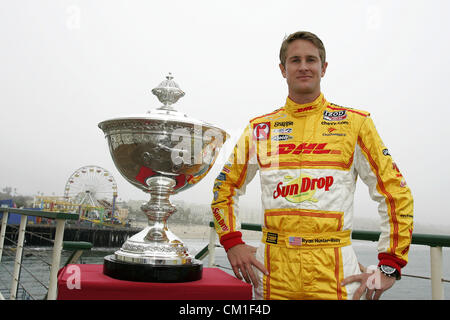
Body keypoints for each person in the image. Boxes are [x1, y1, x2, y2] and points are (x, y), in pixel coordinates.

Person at [210, 31, 413, 300]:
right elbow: (224, 187)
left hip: (336, 273)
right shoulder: (259, 129)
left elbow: (395, 192)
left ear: (323, 68)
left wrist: (390, 265)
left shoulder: (356, 124)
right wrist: (232, 242)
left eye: (311, 59)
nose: (304, 66)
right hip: (273, 272)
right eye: (295, 60)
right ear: (283, 70)